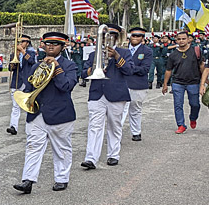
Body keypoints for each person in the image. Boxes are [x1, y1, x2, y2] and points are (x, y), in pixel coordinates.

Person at [12, 32, 78, 194]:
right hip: (37, 113)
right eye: (48, 44)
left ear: (62, 47)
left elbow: (66, 86)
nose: (51, 46)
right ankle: (28, 180)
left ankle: (61, 178)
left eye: (55, 44)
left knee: (61, 149)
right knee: (32, 146)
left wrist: (57, 68)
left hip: (60, 114)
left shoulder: (70, 66)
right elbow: (29, 88)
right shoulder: (36, 66)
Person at [81, 24, 133, 170]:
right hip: (97, 93)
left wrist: (116, 56)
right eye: (104, 37)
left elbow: (129, 70)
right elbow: (83, 74)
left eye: (110, 37)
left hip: (116, 94)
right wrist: (94, 68)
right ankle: (91, 158)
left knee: (114, 126)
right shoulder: (93, 54)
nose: (106, 40)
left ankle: (113, 154)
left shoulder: (124, 52)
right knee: (94, 126)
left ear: (115, 38)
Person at [162, 31, 208, 134]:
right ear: (176, 40)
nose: (181, 41)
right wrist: (165, 84)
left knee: (195, 104)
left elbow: (202, 66)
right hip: (178, 82)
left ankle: (193, 118)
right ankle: (181, 125)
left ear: (188, 39)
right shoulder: (173, 55)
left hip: (193, 82)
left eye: (183, 39)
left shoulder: (196, 51)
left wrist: (205, 80)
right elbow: (168, 70)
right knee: (178, 104)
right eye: (179, 39)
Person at [120, 27, 152, 141]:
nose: (135, 38)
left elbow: (145, 68)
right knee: (120, 110)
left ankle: (136, 132)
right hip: (122, 83)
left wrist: (127, 68)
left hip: (138, 84)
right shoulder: (122, 49)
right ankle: (116, 134)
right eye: (133, 35)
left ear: (142, 38)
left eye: (138, 36)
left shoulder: (147, 51)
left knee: (135, 109)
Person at [6, 34, 36, 135]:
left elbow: (32, 62)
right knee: (15, 106)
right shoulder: (14, 54)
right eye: (19, 42)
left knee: (29, 106)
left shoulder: (31, 53)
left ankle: (31, 127)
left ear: (27, 43)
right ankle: (13, 126)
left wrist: (23, 52)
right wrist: (15, 59)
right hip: (17, 82)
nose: (20, 44)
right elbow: (10, 68)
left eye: (22, 42)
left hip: (27, 82)